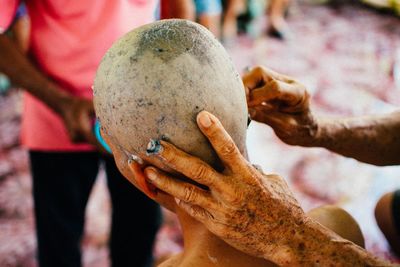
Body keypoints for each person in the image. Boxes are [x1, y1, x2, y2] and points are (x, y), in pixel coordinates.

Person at [142, 66, 399, 265]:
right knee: (387, 209)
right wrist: (317, 129)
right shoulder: (341, 225)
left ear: (144, 177)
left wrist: (295, 238)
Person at [0, 1, 162, 266]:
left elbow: (179, 9)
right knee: (59, 247)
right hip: (56, 119)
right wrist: (61, 103)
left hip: (140, 118)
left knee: (139, 240)